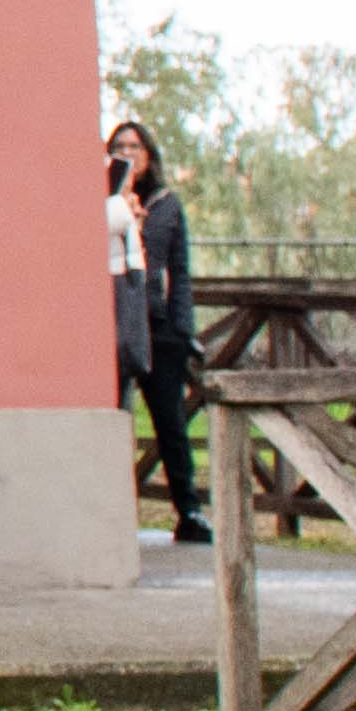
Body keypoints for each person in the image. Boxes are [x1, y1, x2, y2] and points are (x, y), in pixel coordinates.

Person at [106, 118, 203, 540]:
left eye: (136, 147)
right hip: (117, 325)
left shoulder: (166, 204)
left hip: (160, 328)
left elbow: (180, 272)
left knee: (171, 424)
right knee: (117, 420)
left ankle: (190, 512)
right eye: (120, 147)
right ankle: (117, 513)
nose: (128, 154)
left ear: (149, 155)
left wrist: (182, 329)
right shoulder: (105, 201)